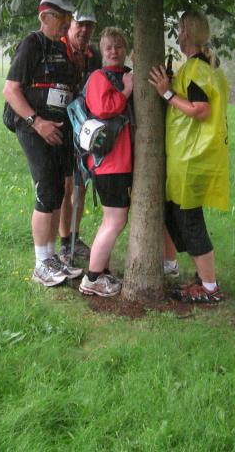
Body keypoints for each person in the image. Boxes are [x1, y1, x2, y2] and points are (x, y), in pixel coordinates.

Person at [2, 0, 84, 287]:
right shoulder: (31, 44)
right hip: (33, 128)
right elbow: (10, 90)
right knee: (45, 190)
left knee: (58, 191)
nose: (66, 23)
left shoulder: (61, 48)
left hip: (58, 128)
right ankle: (40, 264)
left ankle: (51, 258)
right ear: (44, 17)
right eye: (61, 17)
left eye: (68, 18)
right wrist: (37, 123)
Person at [148, 10, 229, 303]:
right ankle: (201, 279)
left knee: (189, 221)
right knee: (177, 217)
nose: (178, 36)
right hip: (190, 155)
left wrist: (167, 93)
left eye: (180, 30)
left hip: (192, 156)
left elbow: (200, 109)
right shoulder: (201, 67)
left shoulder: (197, 68)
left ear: (188, 34)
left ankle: (210, 288)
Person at [77, 27, 133, 297]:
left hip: (120, 162)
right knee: (115, 220)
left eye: (119, 46)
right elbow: (103, 109)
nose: (114, 51)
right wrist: (127, 90)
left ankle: (102, 271)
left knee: (111, 219)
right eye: (109, 47)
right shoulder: (99, 77)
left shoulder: (124, 74)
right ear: (101, 51)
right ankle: (92, 279)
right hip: (109, 163)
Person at [58, 11, 102, 262]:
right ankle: (65, 242)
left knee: (81, 184)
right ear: (70, 25)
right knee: (66, 186)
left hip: (84, 128)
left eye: (89, 25)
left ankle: (74, 237)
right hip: (61, 127)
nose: (84, 30)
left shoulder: (93, 55)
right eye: (80, 24)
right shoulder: (58, 50)